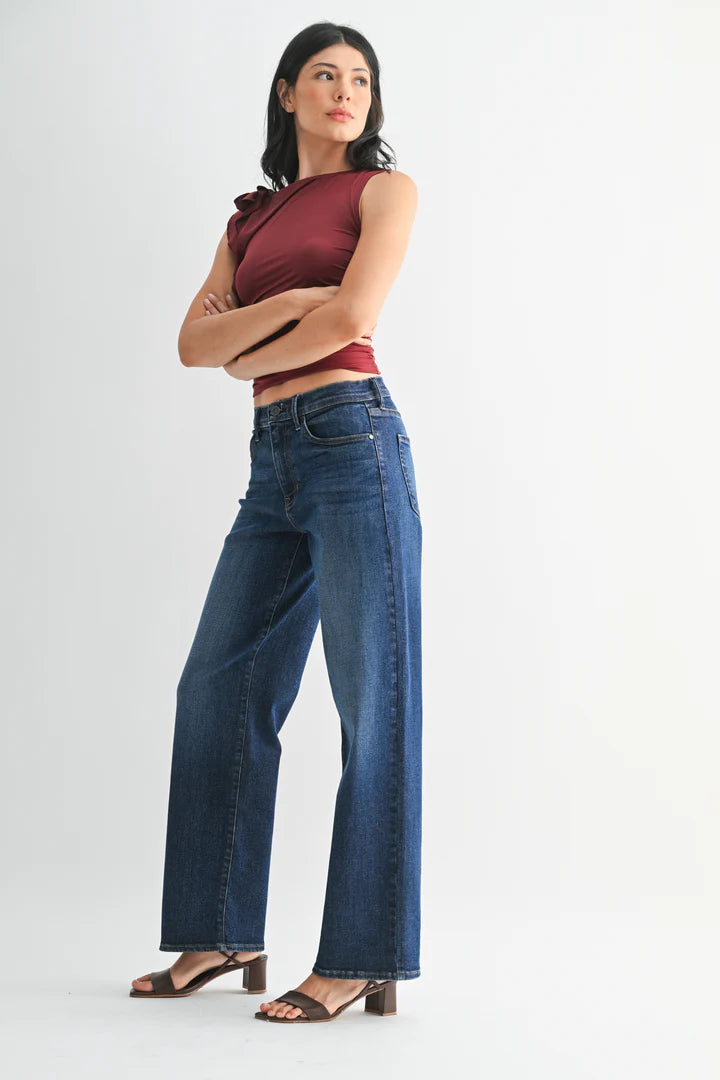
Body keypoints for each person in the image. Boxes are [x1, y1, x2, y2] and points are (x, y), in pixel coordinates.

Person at [129, 21, 422, 1025]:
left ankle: (364, 955)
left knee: (372, 703)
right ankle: (221, 930)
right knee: (218, 686)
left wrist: (247, 345)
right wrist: (290, 301)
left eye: (362, 79)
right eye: (326, 76)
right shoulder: (249, 220)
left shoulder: (385, 191)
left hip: (353, 442)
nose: (346, 92)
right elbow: (190, 343)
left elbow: (351, 320)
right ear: (288, 91)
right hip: (274, 464)